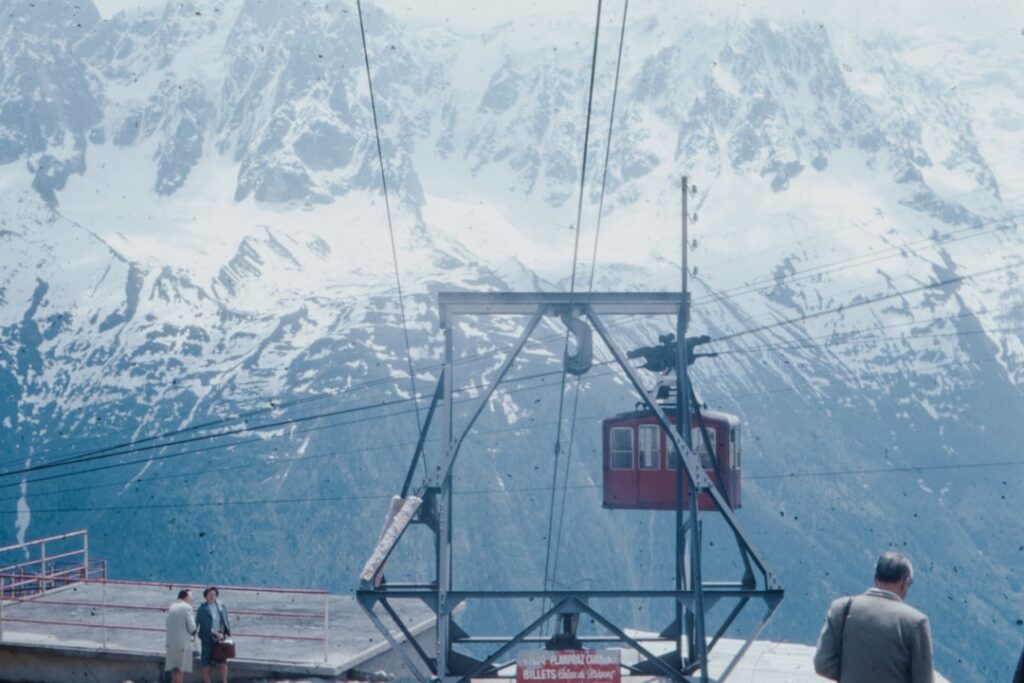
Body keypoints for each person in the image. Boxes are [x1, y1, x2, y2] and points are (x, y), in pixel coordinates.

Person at [813, 550, 933, 683]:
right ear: (905, 582)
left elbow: (822, 664)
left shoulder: (842, 608)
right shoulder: (916, 622)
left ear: (875, 579)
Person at [197, 586, 232, 683]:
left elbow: (225, 620)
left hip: (220, 639)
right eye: (210, 594)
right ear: (205, 596)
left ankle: (225, 681)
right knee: (206, 662)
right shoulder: (202, 609)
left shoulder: (221, 606)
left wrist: (225, 633)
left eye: (214, 594)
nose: (212, 596)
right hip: (207, 639)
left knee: (223, 662)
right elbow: (198, 624)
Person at [165, 589, 196, 683]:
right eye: (190, 597)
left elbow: (167, 623)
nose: (192, 599)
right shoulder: (187, 607)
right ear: (185, 597)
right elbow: (192, 627)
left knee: (173, 668)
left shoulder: (172, 606)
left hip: (170, 643)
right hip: (182, 644)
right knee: (180, 669)